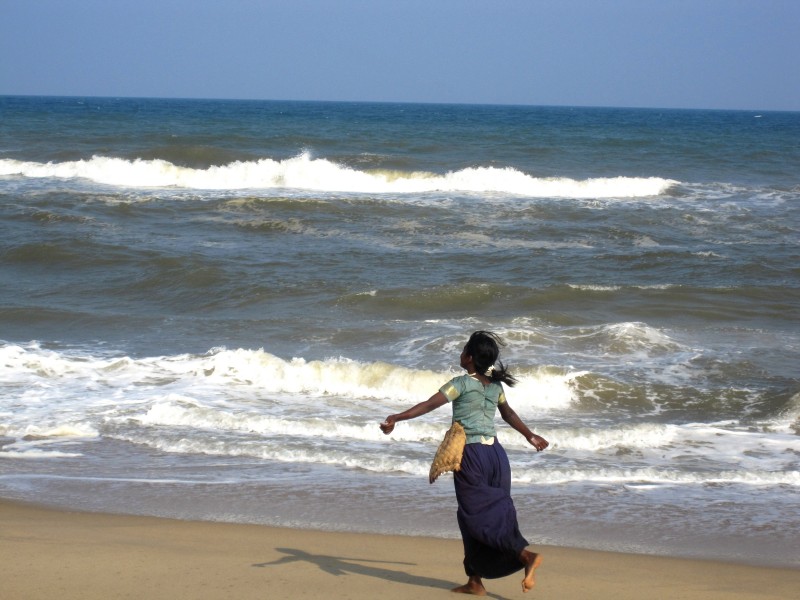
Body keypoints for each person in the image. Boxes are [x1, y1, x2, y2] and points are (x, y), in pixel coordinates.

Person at [380, 331, 549, 596]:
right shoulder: (495, 386)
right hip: (497, 457)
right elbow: (508, 414)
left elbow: (428, 405)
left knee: (477, 514)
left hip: (471, 456)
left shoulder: (460, 383)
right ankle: (475, 581)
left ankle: (524, 555)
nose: (460, 354)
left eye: (463, 351)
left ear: (469, 358)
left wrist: (396, 417)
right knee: (475, 514)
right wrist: (530, 435)